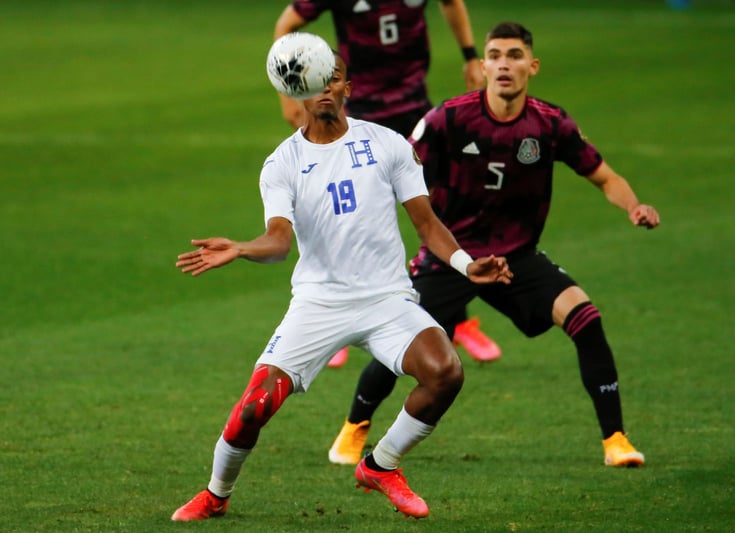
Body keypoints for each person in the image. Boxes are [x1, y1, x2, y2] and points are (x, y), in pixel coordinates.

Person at [170, 53, 512, 522]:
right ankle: (216, 494)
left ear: (348, 86)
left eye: (334, 79)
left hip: (387, 299)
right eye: (314, 81)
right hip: (319, 303)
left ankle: (381, 465)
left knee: (445, 372)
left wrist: (466, 265)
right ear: (298, 92)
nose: (325, 88)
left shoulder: (388, 144)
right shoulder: (282, 164)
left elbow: (427, 224)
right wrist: (243, 248)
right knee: (252, 409)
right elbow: (278, 243)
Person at [328, 21, 660, 468]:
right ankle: (354, 428)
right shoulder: (448, 118)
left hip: (516, 258)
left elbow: (603, 176)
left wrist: (633, 206)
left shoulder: (551, 123)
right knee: (404, 348)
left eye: (515, 56)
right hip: (452, 257)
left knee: (587, 320)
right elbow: (396, 166)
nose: (505, 64)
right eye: (496, 56)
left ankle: (616, 440)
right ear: (482, 65)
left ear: (532, 66)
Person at [274, 0, 501, 367]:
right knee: (343, 215)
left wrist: (471, 55)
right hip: (353, 112)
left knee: (442, 212)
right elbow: (286, 26)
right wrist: (290, 93)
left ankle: (457, 320)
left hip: (415, 109)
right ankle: (332, 324)